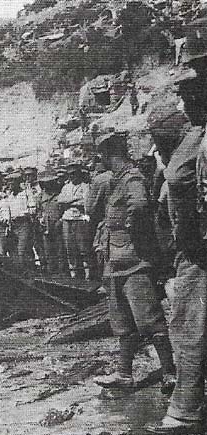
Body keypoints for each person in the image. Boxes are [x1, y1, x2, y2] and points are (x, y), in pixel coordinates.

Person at [146, 19, 207, 429]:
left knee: (188, 326)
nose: (187, 101)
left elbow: (182, 182)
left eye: (193, 91)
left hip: (200, 254)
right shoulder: (197, 137)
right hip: (195, 252)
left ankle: (185, 413)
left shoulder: (195, 144)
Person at [93, 132, 176, 395]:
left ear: (109, 155)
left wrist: (133, 234)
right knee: (123, 324)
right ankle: (124, 375)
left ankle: (170, 373)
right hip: (116, 263)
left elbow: (140, 207)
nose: (101, 160)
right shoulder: (117, 180)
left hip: (134, 262)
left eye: (103, 156)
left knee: (149, 321)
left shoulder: (132, 178)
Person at [57, 162, 90, 279]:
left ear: (79, 173)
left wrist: (69, 201)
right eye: (70, 174)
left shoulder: (85, 186)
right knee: (69, 248)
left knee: (83, 248)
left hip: (80, 219)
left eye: (74, 174)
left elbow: (85, 202)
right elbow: (60, 200)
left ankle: (87, 275)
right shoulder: (66, 187)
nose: (72, 176)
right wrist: (75, 199)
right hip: (67, 219)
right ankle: (73, 274)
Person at [5, 171, 35, 270]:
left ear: (17, 183)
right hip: (13, 226)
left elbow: (32, 209)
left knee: (23, 250)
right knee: (14, 251)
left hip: (23, 224)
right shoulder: (9, 196)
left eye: (12, 183)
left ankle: (30, 270)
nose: (9, 185)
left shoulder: (26, 193)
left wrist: (22, 214)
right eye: (8, 183)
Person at [36, 171, 64, 276]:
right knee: (48, 253)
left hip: (58, 225)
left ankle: (63, 275)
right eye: (44, 183)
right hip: (46, 227)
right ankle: (52, 275)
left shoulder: (60, 193)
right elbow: (38, 211)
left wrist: (60, 221)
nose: (47, 184)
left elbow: (64, 209)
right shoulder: (40, 197)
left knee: (60, 252)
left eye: (49, 182)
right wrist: (40, 219)